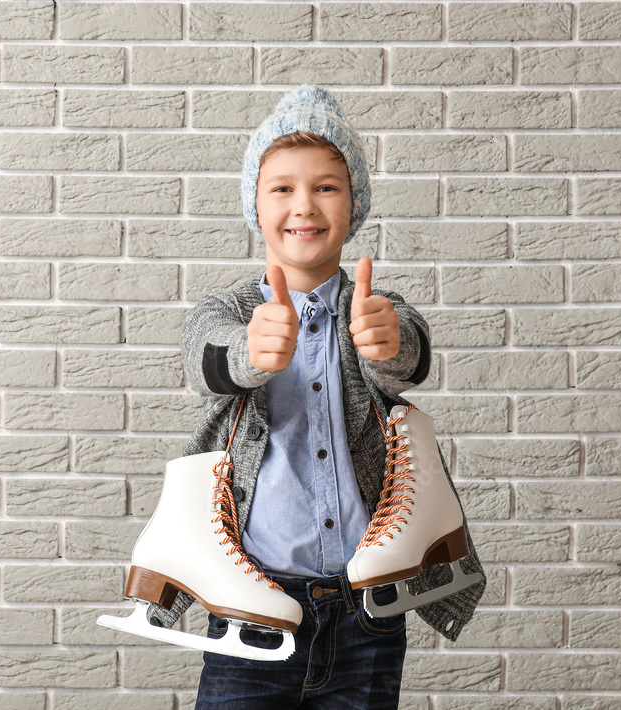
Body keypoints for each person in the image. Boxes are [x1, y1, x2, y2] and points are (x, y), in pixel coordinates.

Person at [154, 84, 485, 709]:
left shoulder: (373, 309)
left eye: (326, 186)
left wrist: (386, 344)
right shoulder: (227, 312)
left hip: (367, 612)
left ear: (353, 203)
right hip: (251, 608)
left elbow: (409, 356)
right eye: (282, 187)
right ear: (255, 203)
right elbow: (207, 360)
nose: (303, 205)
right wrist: (253, 353)